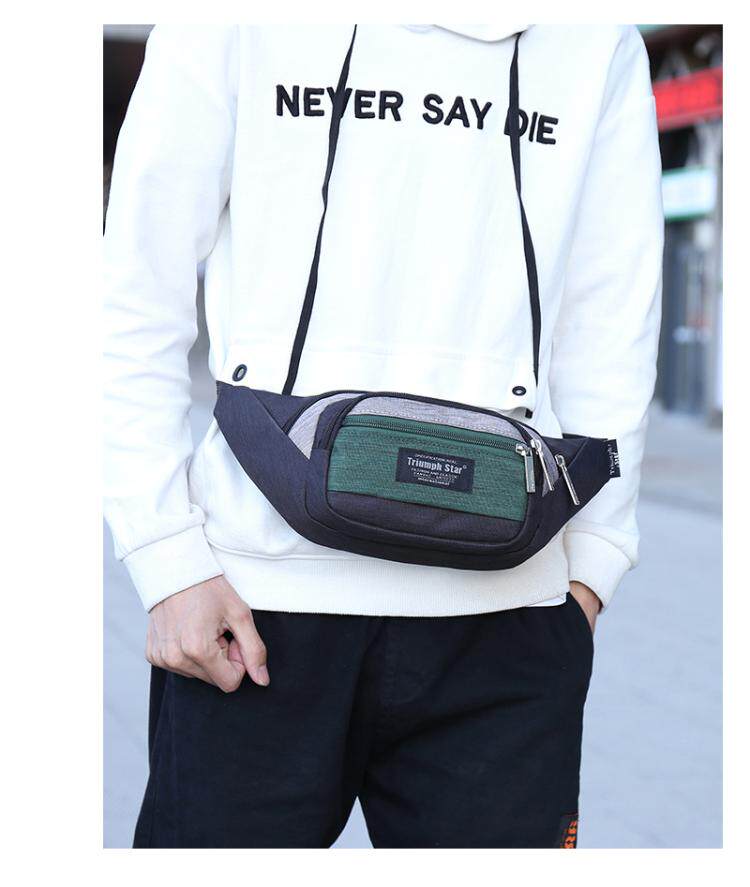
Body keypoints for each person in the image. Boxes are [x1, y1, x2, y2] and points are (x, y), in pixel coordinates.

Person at [104, 24, 663, 848]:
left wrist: (592, 571)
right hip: (250, 604)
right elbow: (134, 291)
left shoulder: (595, 38)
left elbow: (613, 312)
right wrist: (167, 562)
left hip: (506, 615)